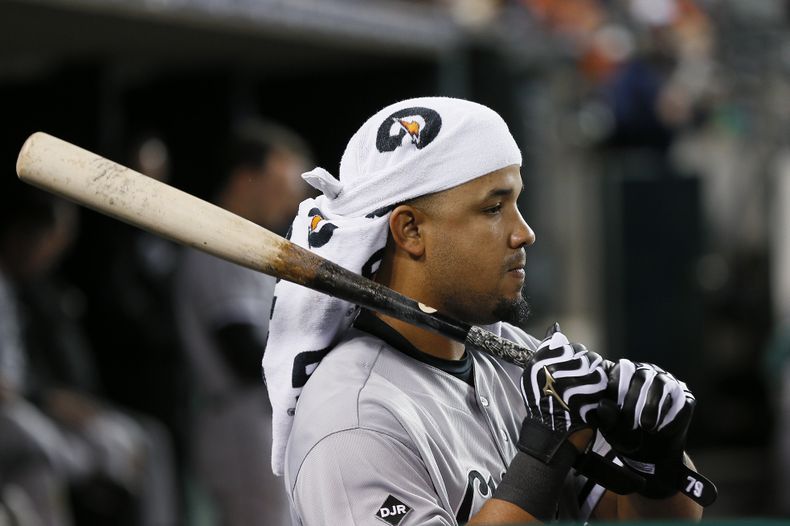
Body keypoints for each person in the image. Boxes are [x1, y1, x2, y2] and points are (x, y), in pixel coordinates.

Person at [263, 97, 707, 524]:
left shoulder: (511, 355)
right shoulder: (352, 420)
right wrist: (544, 453)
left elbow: (638, 516)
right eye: (494, 208)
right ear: (410, 230)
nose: (524, 233)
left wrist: (656, 462)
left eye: (516, 203)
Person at [0, 183, 178, 526]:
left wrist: (47, 397)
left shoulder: (29, 288)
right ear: (22, 234)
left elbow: (26, 369)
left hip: (25, 403)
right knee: (51, 452)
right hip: (17, 411)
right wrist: (43, 398)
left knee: (124, 445)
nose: (52, 251)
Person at [173, 119, 312, 525]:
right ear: (246, 178)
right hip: (239, 417)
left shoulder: (248, 244)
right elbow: (242, 349)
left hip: (258, 415)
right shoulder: (215, 242)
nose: (291, 201)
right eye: (281, 186)